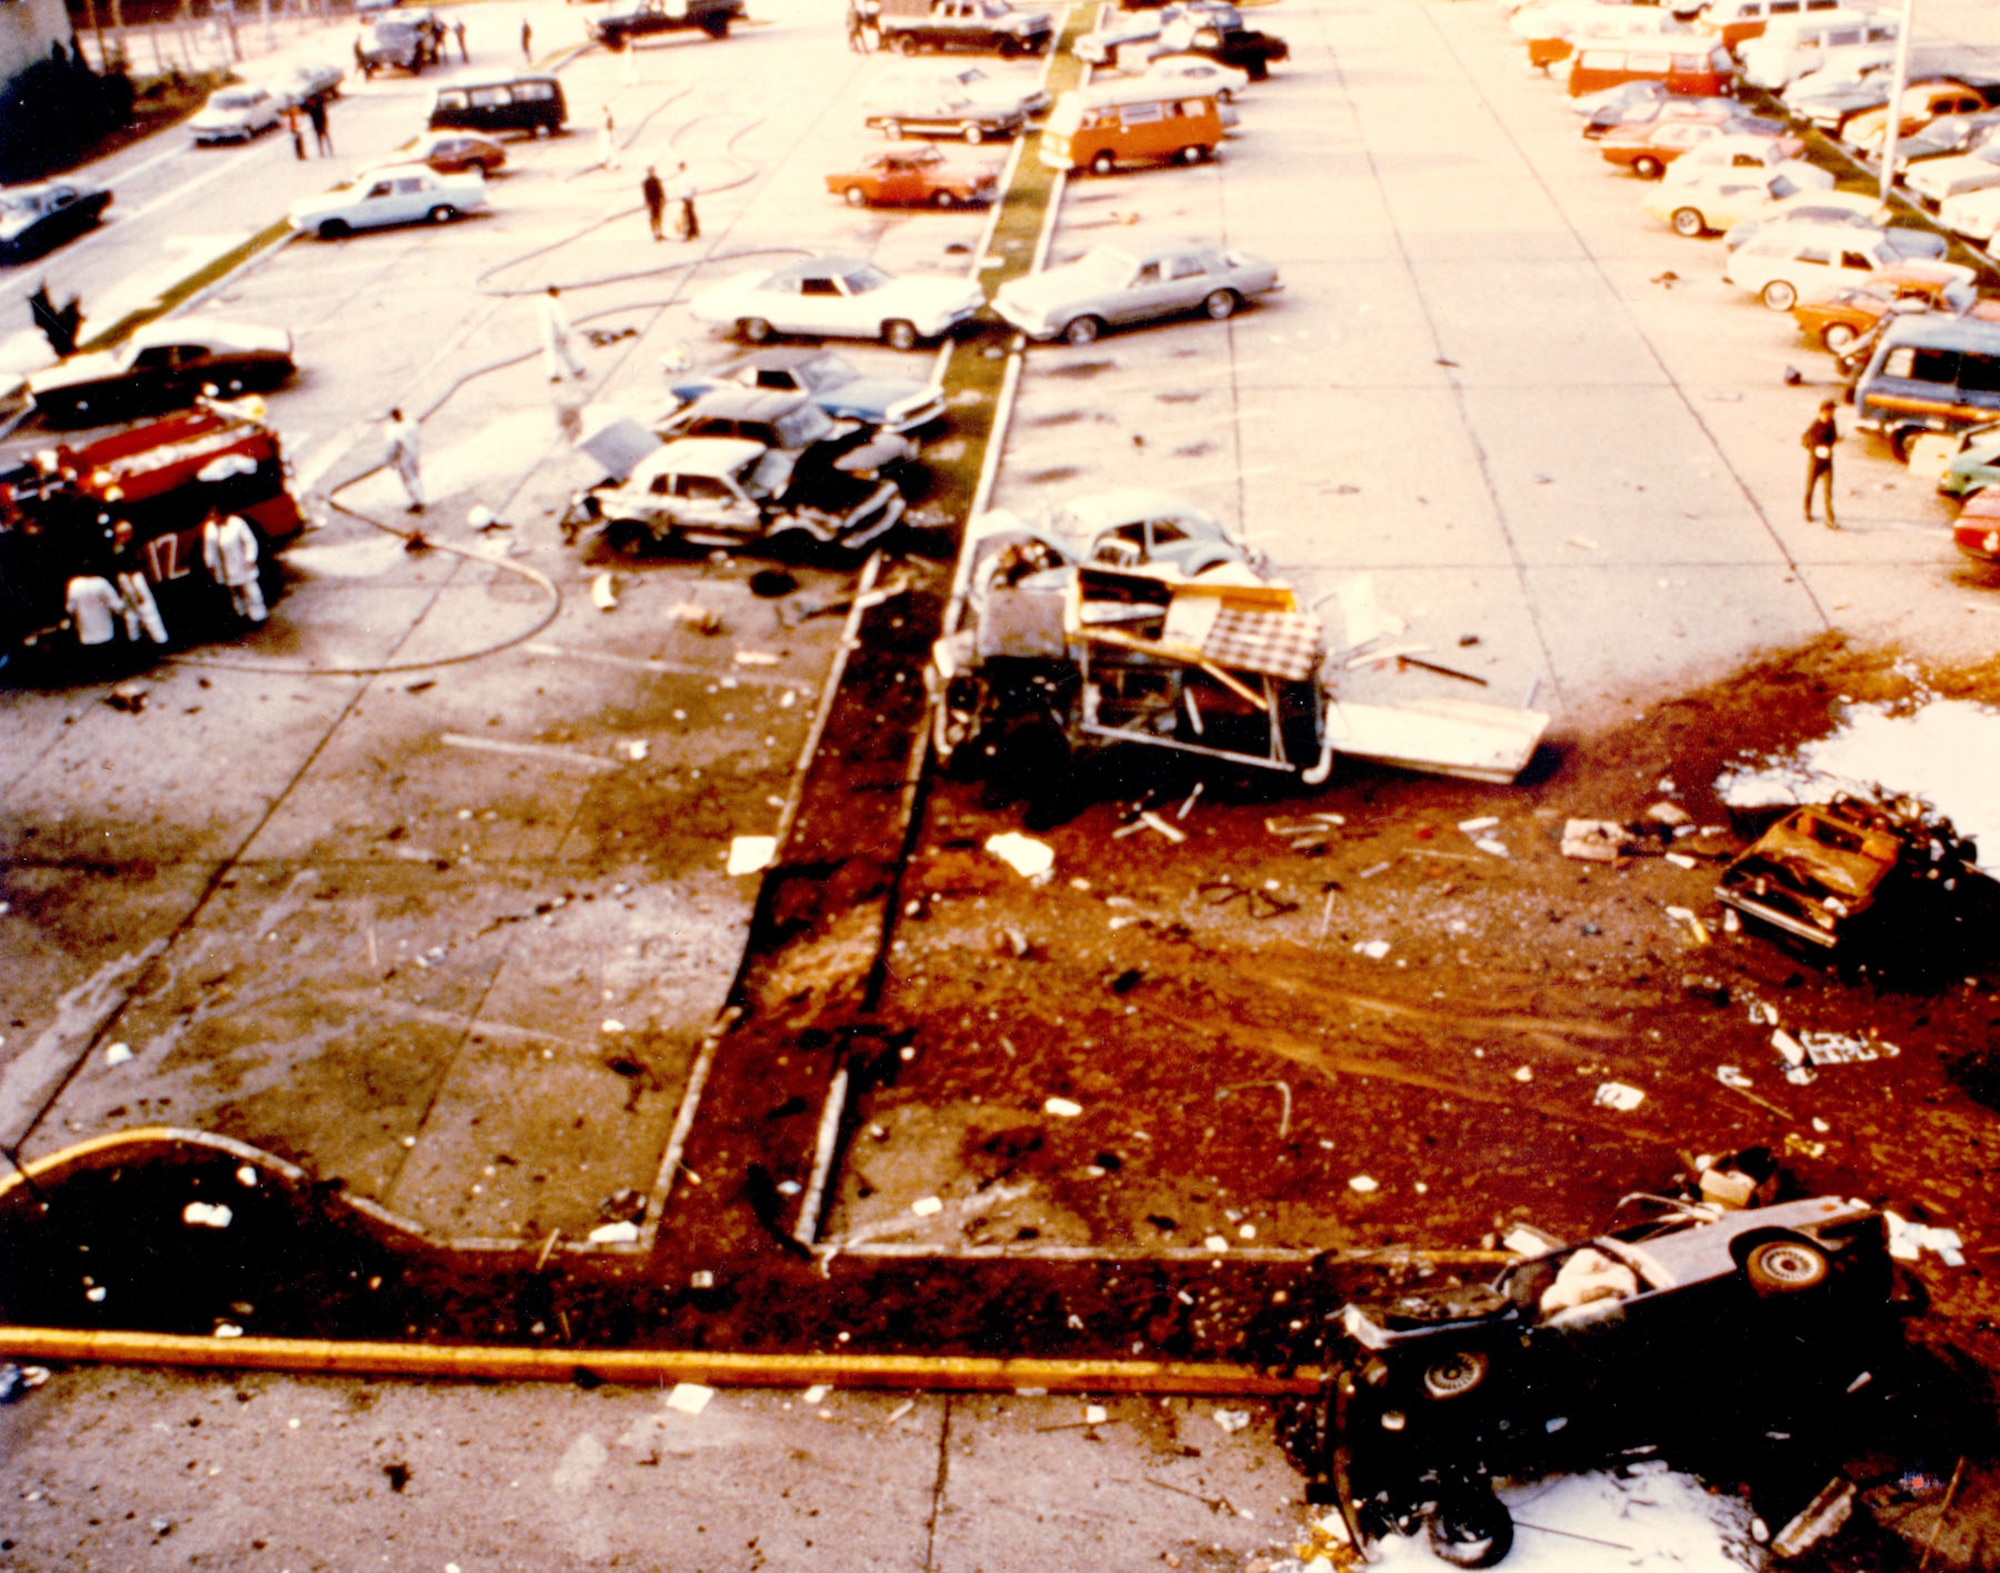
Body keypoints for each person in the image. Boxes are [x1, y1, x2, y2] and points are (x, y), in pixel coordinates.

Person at [109, 520, 169, 645]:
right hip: (132, 580)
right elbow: (128, 568)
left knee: (131, 614)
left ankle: (134, 638)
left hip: (125, 580)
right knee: (148, 609)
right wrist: (135, 591)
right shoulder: (124, 549)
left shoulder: (117, 547)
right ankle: (160, 639)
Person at [202, 509, 268, 623]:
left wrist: (250, 558)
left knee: (251, 591)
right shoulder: (210, 529)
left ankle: (258, 616)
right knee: (234, 593)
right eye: (211, 517)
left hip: (242, 564)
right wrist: (210, 563)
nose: (214, 519)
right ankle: (242, 615)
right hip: (225, 568)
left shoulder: (237, 523)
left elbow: (249, 541)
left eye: (216, 515)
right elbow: (209, 549)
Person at [1803, 398, 1840, 528]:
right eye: (1831, 410)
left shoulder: (1832, 423)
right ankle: (1807, 511)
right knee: (1810, 488)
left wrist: (1832, 444)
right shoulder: (1816, 425)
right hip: (1815, 462)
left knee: (1828, 492)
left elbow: (1834, 437)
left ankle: (1830, 519)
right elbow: (1804, 440)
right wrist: (1814, 449)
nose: (1833, 413)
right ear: (1824, 411)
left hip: (1827, 462)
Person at [65, 574, 123, 656]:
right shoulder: (102, 583)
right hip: (105, 632)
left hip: (86, 635)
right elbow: (116, 605)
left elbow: (70, 608)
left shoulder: (75, 584)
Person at [537, 286, 585, 382]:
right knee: (565, 350)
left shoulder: (542, 303)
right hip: (556, 332)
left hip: (545, 331)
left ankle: (553, 374)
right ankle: (576, 368)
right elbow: (560, 320)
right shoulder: (556, 304)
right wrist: (564, 334)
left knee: (550, 352)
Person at [384, 408, 425, 513]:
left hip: (403, 456)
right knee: (415, 478)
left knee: (408, 480)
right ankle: (421, 499)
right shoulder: (411, 423)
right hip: (414, 453)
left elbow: (391, 446)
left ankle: (416, 502)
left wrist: (389, 460)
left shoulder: (393, 430)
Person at [671, 160, 699, 241]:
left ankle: (692, 231)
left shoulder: (687, 175)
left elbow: (693, 185)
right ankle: (694, 230)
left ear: (684, 167)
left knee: (690, 214)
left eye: (682, 167)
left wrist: (691, 194)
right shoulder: (680, 176)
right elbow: (680, 188)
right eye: (680, 167)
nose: (681, 168)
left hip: (688, 197)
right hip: (683, 197)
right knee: (689, 214)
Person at [641, 165, 666, 242]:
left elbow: (661, 190)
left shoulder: (657, 180)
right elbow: (646, 193)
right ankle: (655, 233)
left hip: (658, 200)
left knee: (659, 217)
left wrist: (663, 199)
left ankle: (660, 232)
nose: (652, 172)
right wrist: (647, 202)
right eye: (650, 171)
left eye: (653, 171)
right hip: (651, 202)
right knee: (653, 218)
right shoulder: (646, 182)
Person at [597, 105, 618, 170]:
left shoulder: (608, 116)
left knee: (609, 147)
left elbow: (610, 125)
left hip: (607, 133)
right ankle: (603, 160)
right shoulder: (606, 116)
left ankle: (613, 162)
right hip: (605, 132)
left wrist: (610, 134)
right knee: (606, 147)